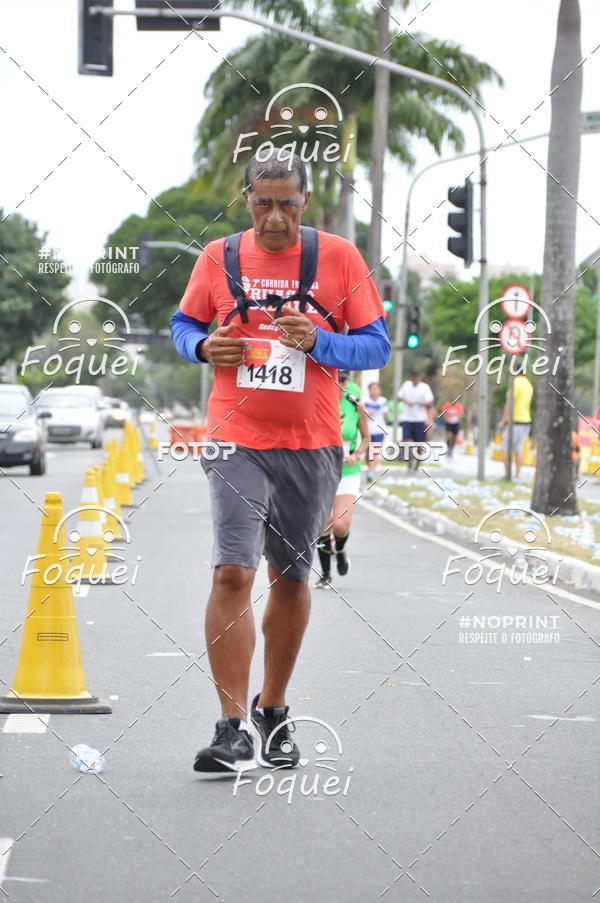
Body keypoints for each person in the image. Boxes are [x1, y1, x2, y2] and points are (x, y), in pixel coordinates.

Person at [170, 150, 390, 774]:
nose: (273, 219)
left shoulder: (339, 258)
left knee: (291, 578)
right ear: (247, 200)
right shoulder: (219, 257)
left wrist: (318, 340)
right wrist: (201, 346)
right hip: (234, 436)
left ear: (304, 202)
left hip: (311, 444)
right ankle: (230, 725)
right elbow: (182, 324)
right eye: (262, 204)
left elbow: (377, 343)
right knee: (230, 575)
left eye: (286, 205)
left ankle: (274, 708)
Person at [315, 372, 370, 588]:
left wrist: (356, 455)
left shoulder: (354, 403)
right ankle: (326, 573)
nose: (340, 384)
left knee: (340, 525)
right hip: (321, 471)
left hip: (348, 471)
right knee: (323, 523)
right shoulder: (316, 401)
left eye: (344, 380)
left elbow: (366, 438)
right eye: (337, 379)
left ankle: (340, 549)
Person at [498, 366, 534, 480]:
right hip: (527, 421)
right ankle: (517, 475)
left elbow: (509, 403)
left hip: (515, 421)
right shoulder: (529, 384)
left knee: (505, 447)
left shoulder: (515, 383)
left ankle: (507, 474)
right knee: (518, 448)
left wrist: (503, 420)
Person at [398, 371, 434, 470]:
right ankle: (410, 459)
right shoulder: (406, 385)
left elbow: (430, 403)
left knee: (419, 443)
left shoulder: (425, 387)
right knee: (406, 441)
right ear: (411, 378)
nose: (415, 380)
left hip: (420, 419)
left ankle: (418, 461)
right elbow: (399, 396)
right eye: (413, 378)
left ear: (419, 378)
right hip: (407, 418)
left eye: (417, 378)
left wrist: (418, 403)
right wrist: (406, 401)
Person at [362, 381, 389, 482]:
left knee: (375, 452)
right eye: (373, 388)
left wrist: (386, 414)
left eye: (377, 388)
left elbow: (386, 415)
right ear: (369, 390)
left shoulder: (383, 401)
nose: (375, 390)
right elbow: (360, 413)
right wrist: (367, 413)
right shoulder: (364, 400)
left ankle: (371, 472)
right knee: (367, 453)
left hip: (379, 429)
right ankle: (370, 468)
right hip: (367, 429)